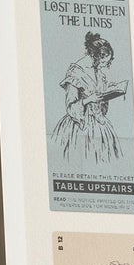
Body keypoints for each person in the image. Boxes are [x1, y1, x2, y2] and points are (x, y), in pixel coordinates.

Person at [53, 31, 124, 166]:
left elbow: (101, 103)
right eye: (103, 62)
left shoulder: (99, 71)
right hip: (79, 125)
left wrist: (109, 92)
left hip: (99, 123)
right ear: (94, 56)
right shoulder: (75, 73)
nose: (104, 66)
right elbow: (70, 107)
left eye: (107, 63)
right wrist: (89, 99)